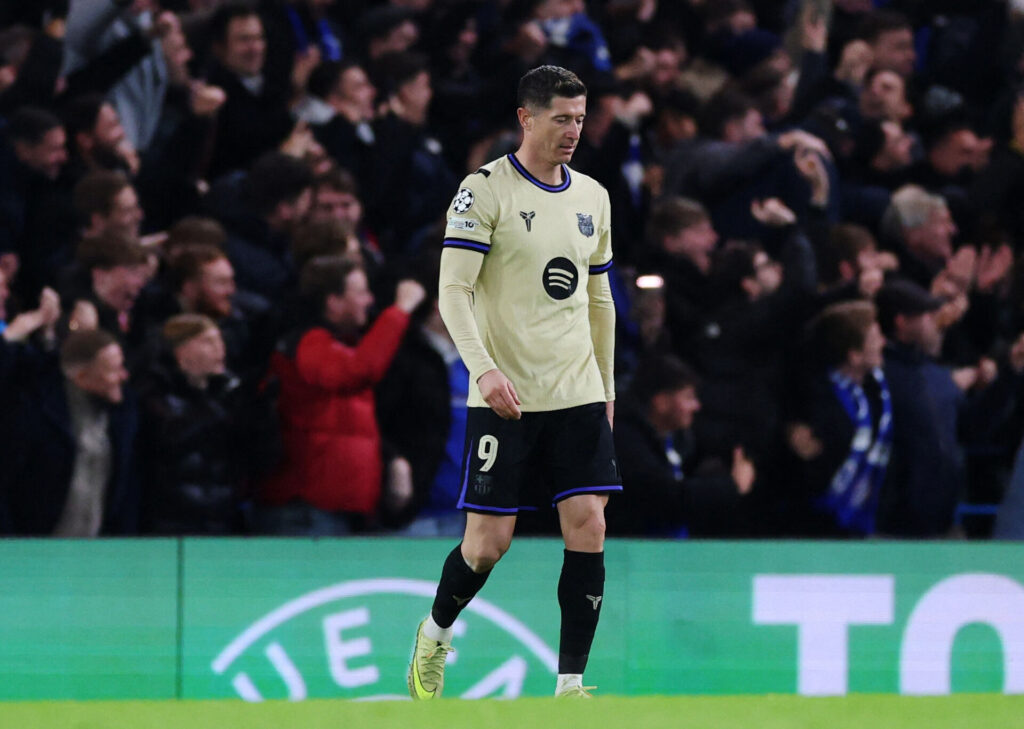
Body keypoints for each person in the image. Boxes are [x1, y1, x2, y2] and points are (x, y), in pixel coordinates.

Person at [408, 65, 618, 700]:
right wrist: (484, 370)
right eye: (561, 118)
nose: (573, 131)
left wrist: (607, 388)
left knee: (588, 523)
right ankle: (435, 635)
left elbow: (599, 299)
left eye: (580, 119)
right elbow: (452, 291)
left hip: (577, 390)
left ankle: (571, 686)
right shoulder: (483, 191)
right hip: (506, 396)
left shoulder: (593, 196)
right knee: (487, 545)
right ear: (526, 118)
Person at [255, 255, 425, 535]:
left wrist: (391, 460)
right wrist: (400, 310)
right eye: (360, 293)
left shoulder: (339, 345)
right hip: (307, 514)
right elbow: (358, 372)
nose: (369, 300)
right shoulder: (310, 343)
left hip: (334, 512)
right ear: (332, 301)